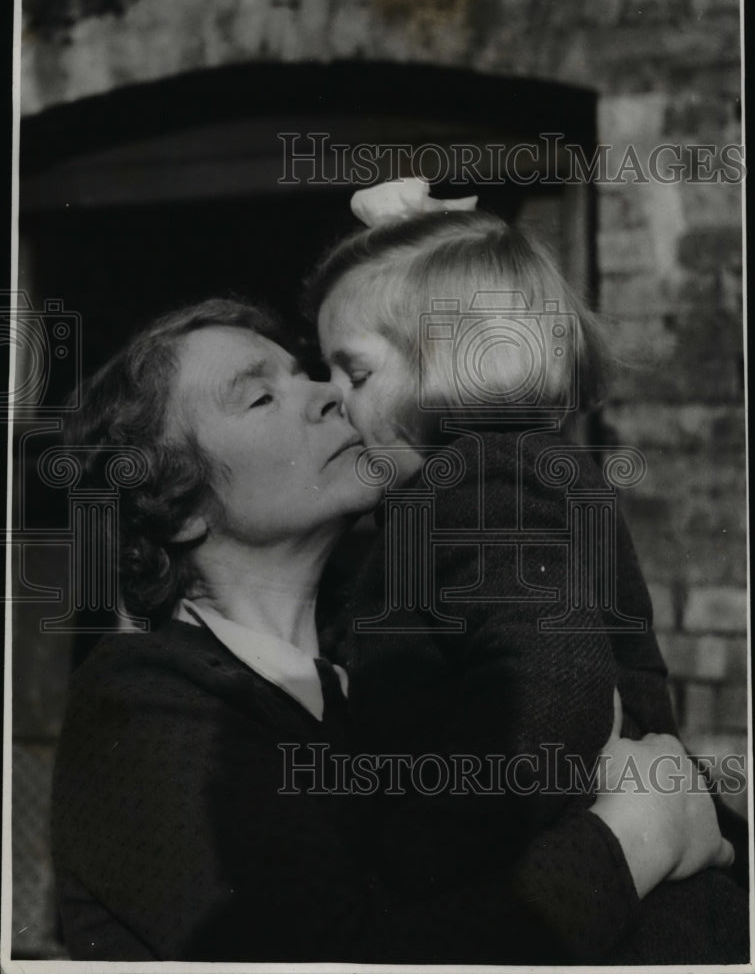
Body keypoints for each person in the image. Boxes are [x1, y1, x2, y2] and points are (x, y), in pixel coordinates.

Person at [52, 296, 737, 963]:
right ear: (174, 509)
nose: (327, 394)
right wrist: (632, 839)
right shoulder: (140, 704)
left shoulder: (383, 655)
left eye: (311, 372)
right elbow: (351, 962)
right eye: (260, 397)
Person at [307, 180, 749, 963]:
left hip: (604, 913)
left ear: (451, 363)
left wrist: (426, 850)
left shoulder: (480, 484)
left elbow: (553, 680)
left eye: (356, 374)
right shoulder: (498, 476)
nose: (333, 401)